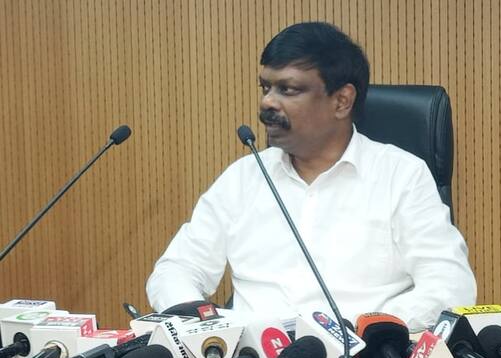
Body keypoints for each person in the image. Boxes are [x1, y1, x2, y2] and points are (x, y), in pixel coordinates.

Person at [146, 22, 476, 331]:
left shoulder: (401, 175)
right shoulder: (245, 177)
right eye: (266, 87)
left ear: (342, 101)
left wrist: (371, 329)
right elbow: (176, 269)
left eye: (288, 89)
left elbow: (450, 285)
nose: (267, 102)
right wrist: (202, 321)